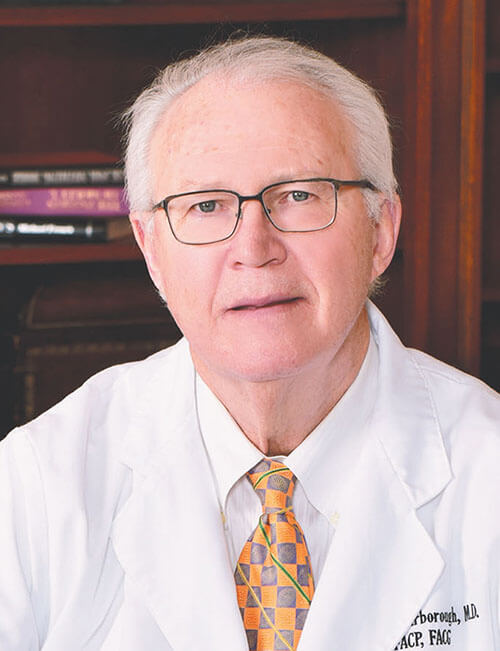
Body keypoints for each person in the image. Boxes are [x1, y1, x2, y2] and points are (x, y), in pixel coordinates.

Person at [0, 36, 499, 651]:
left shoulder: (488, 470)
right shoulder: (37, 486)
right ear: (151, 251)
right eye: (206, 205)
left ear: (380, 231)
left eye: (298, 195)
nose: (254, 250)